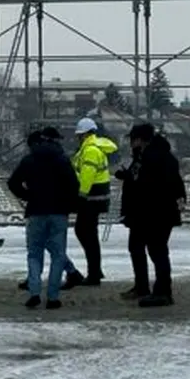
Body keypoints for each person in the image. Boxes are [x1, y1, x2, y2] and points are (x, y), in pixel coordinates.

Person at [7, 127, 80, 309]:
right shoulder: (63, 160)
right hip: (58, 212)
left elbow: (12, 182)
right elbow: (74, 185)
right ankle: (53, 297)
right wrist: (68, 204)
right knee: (57, 255)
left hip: (35, 211)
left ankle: (34, 292)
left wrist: (28, 196)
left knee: (34, 254)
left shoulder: (29, 159)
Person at [117, 123, 186, 308]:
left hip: (154, 213)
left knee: (157, 251)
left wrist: (132, 180)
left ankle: (163, 291)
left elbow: (152, 185)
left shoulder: (154, 157)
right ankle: (143, 286)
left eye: (133, 139)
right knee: (138, 247)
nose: (131, 143)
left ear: (140, 139)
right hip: (146, 213)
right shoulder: (148, 156)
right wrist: (127, 176)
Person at [60, 117, 116, 289]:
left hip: (91, 198)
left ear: (84, 135)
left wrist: (80, 195)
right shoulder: (95, 148)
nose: (78, 138)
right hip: (97, 198)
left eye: (79, 135)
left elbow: (87, 175)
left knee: (85, 232)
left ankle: (94, 273)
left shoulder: (90, 150)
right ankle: (95, 270)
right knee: (88, 233)